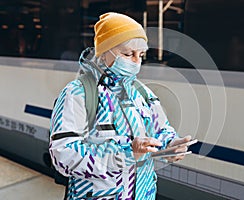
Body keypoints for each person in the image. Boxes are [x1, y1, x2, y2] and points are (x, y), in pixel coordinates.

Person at [49, 12, 191, 200]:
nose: (136, 62)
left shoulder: (141, 92)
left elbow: (160, 129)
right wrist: (125, 153)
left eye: (140, 55)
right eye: (128, 53)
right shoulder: (78, 93)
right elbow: (63, 155)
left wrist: (170, 145)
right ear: (103, 51)